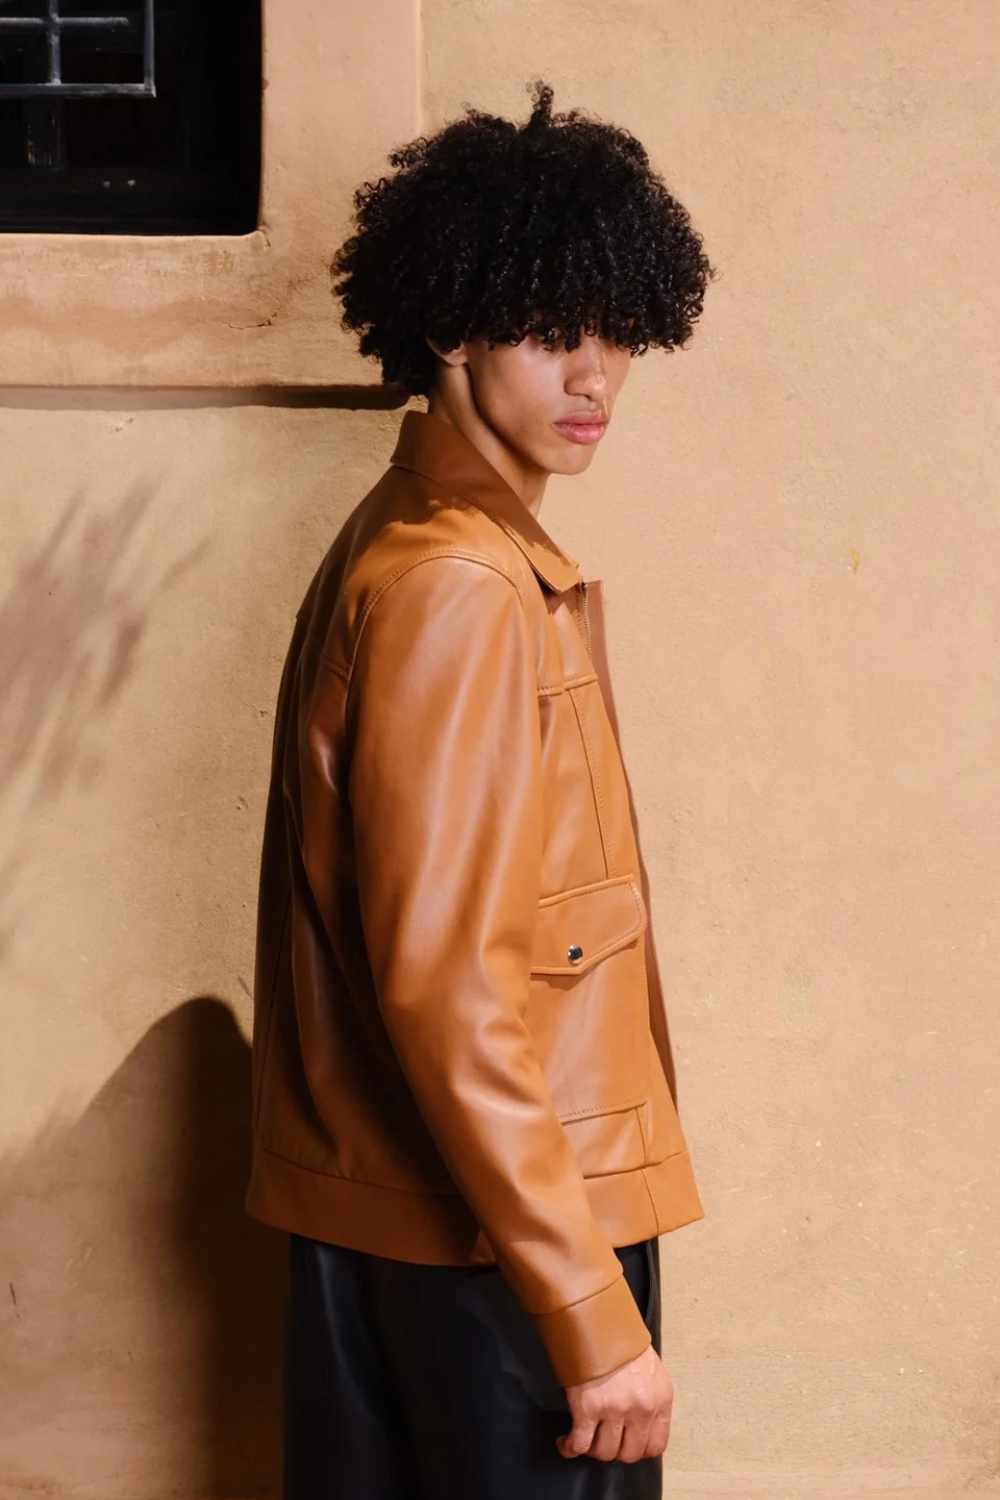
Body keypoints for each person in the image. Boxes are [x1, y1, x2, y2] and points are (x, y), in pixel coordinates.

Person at [245, 76, 716, 1498]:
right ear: (450, 326)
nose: (595, 377)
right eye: (552, 331)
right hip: (503, 1249)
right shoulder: (457, 582)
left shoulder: (413, 541)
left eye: (618, 331)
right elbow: (446, 986)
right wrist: (587, 1311)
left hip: (418, 1238)